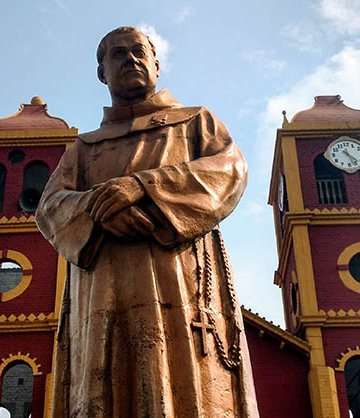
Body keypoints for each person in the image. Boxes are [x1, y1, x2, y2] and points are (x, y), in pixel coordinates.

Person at [36, 26, 259, 418]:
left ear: (157, 64)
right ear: (102, 73)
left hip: (180, 279)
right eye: (118, 54)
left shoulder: (194, 123)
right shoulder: (84, 148)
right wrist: (99, 209)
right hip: (103, 287)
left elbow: (229, 171)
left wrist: (142, 188)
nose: (131, 59)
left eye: (140, 52)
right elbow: (50, 209)